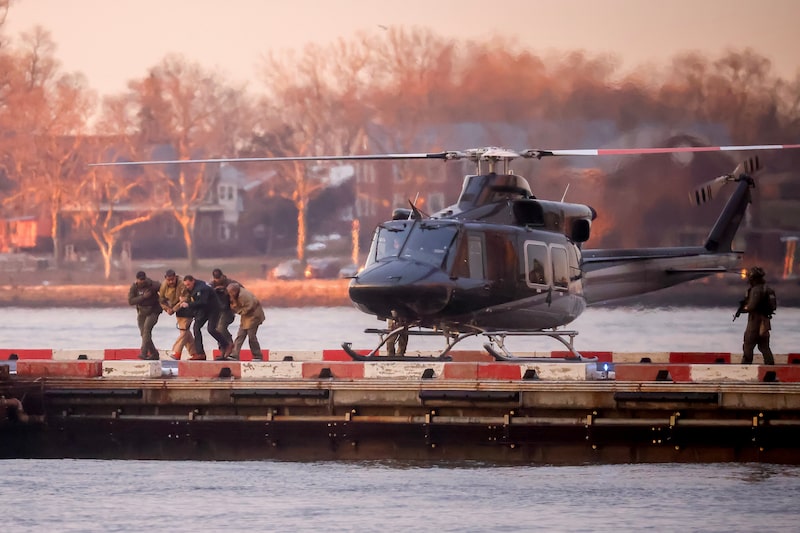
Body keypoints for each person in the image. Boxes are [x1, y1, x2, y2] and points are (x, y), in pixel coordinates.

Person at [180, 275, 232, 361]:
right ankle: (200, 354)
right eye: (185, 285)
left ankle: (226, 344)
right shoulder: (193, 288)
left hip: (213, 309)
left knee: (211, 329)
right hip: (204, 310)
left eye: (188, 285)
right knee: (196, 328)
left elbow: (202, 301)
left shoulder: (202, 288)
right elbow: (196, 300)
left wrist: (188, 304)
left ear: (193, 281)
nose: (187, 287)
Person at [735, 266, 775, 365]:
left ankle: (746, 366)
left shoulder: (756, 290)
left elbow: (752, 306)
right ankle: (770, 366)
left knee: (748, 344)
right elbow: (773, 306)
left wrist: (744, 308)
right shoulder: (768, 289)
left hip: (755, 320)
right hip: (765, 321)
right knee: (764, 346)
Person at [158, 269, 196, 360]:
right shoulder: (164, 286)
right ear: (165, 279)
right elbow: (161, 300)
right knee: (186, 333)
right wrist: (166, 309)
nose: (171, 282)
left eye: (172, 279)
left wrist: (173, 309)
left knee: (184, 331)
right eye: (169, 280)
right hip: (177, 310)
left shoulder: (182, 283)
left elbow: (185, 298)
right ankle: (196, 353)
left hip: (188, 307)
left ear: (175, 277)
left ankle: (177, 352)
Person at [127, 270, 162, 360]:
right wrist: (143, 297)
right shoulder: (134, 287)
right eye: (140, 280)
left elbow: (163, 288)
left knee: (146, 330)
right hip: (142, 312)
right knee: (143, 333)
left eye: (143, 279)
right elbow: (131, 301)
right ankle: (154, 353)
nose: (142, 281)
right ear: (137, 280)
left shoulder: (152, 285)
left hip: (153, 311)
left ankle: (144, 353)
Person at [226, 282, 266, 361]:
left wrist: (237, 310)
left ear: (235, 291)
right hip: (245, 318)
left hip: (254, 316)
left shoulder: (244, 296)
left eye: (231, 293)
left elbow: (249, 307)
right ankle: (234, 354)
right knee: (240, 335)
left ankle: (257, 355)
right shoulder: (236, 294)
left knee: (252, 337)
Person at [210, 268, 239, 352]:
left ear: (222, 276)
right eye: (216, 278)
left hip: (228, 310)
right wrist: (214, 291)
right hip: (217, 310)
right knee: (216, 330)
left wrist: (228, 291)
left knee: (221, 328)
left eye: (219, 278)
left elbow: (242, 291)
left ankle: (229, 344)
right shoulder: (212, 285)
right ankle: (223, 349)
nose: (218, 280)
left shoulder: (231, 283)